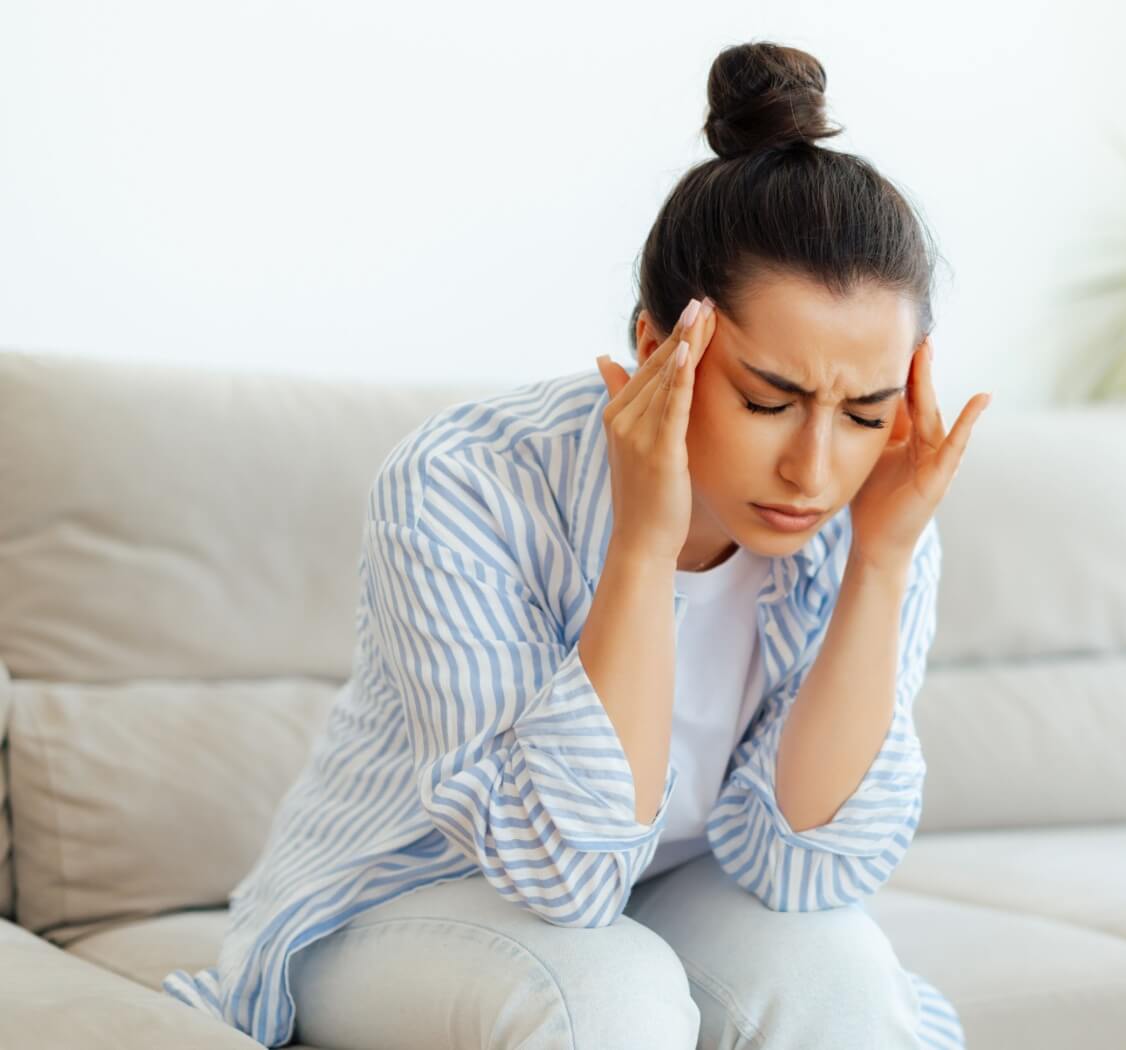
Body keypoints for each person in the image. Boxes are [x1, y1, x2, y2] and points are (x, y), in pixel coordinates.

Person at [162, 39, 990, 1050]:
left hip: (671, 892)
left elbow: (804, 872)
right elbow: (566, 874)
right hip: (408, 895)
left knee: (844, 976)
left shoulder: (874, 515)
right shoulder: (465, 482)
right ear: (659, 347)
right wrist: (644, 542)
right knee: (606, 993)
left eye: (865, 412)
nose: (813, 470)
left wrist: (880, 563)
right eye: (768, 400)